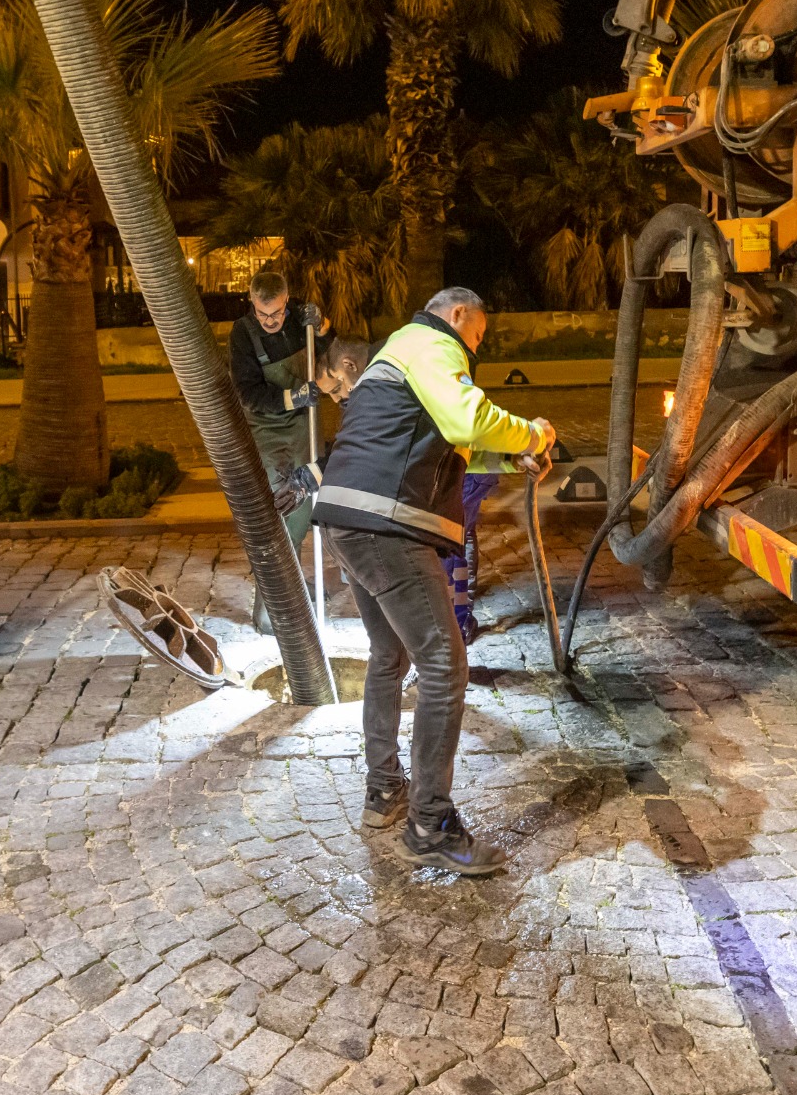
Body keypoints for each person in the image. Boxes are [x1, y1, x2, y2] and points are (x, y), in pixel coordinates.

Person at [312, 286, 555, 876]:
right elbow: (465, 416)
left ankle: (384, 793)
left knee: (388, 654)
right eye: (477, 337)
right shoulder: (432, 341)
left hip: (347, 515)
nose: (474, 352)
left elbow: (446, 444)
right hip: (386, 525)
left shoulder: (395, 354)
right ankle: (430, 824)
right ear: (459, 314)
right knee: (445, 663)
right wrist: (533, 435)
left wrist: (507, 459)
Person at [229, 268, 325, 548]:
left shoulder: (299, 319)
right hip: (267, 431)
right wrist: (293, 397)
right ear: (252, 303)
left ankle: (293, 580)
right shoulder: (243, 334)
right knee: (279, 506)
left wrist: (322, 325)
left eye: (277, 312)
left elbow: (329, 348)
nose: (270, 321)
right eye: (263, 314)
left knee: (305, 505)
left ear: (286, 301)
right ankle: (276, 586)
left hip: (304, 428)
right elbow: (248, 393)